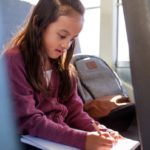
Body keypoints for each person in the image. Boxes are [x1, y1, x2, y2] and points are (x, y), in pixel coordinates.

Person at [3, 0, 122, 149]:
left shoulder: (65, 69)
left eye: (72, 39)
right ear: (38, 23)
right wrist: (83, 139)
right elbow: (29, 120)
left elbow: (75, 112)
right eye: (62, 35)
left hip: (57, 140)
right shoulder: (14, 59)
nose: (66, 45)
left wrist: (101, 131)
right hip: (27, 141)